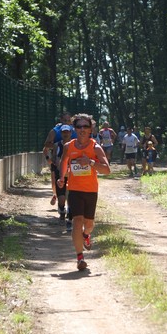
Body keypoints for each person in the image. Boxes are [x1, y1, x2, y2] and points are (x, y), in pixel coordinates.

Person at [57, 113, 110, 270]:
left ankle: (86, 235)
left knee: (89, 225)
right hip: (74, 190)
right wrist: (61, 177)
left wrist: (91, 162)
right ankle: (80, 258)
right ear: (75, 128)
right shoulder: (69, 146)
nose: (82, 129)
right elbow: (63, 162)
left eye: (85, 126)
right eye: (78, 126)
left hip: (91, 190)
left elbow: (107, 170)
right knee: (76, 222)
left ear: (90, 129)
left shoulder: (95, 147)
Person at [43, 112, 75, 205]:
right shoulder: (55, 130)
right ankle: (55, 194)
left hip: (71, 160)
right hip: (56, 159)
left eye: (68, 120)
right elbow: (46, 144)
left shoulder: (74, 130)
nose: (66, 122)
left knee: (70, 182)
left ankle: (68, 202)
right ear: (61, 120)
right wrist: (59, 145)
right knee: (55, 181)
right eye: (65, 120)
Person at [51, 124, 73, 230]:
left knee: (71, 197)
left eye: (67, 132)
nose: (65, 134)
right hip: (60, 174)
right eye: (63, 132)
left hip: (72, 175)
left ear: (70, 133)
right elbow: (53, 158)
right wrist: (56, 164)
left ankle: (70, 217)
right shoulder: (57, 145)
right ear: (61, 133)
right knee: (61, 198)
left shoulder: (74, 145)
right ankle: (62, 212)